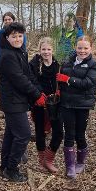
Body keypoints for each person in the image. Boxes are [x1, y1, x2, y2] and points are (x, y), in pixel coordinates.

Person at [0, 22, 44, 182]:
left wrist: (39, 91)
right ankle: (11, 169)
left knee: (11, 134)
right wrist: (36, 95)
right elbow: (20, 79)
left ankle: (4, 167)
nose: (17, 39)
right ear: (7, 37)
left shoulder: (19, 51)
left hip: (18, 100)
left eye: (20, 36)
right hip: (12, 101)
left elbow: (28, 74)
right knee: (23, 134)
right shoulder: (7, 55)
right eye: (14, 36)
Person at [56, 36, 96, 178]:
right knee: (69, 134)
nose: (82, 51)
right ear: (75, 48)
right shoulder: (67, 62)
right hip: (66, 103)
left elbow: (87, 83)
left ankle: (81, 162)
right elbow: (59, 79)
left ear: (91, 48)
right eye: (80, 48)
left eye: (85, 48)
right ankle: (70, 166)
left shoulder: (95, 65)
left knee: (80, 134)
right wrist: (59, 88)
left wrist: (69, 80)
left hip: (83, 104)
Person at [29, 37, 63, 174]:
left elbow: (60, 82)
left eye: (49, 49)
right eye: (43, 49)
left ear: (52, 50)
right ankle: (42, 159)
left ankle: (49, 158)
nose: (46, 52)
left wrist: (59, 91)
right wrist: (38, 94)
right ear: (39, 50)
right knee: (40, 130)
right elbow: (31, 80)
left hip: (54, 102)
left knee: (59, 132)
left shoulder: (57, 64)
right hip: (39, 101)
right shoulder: (34, 63)